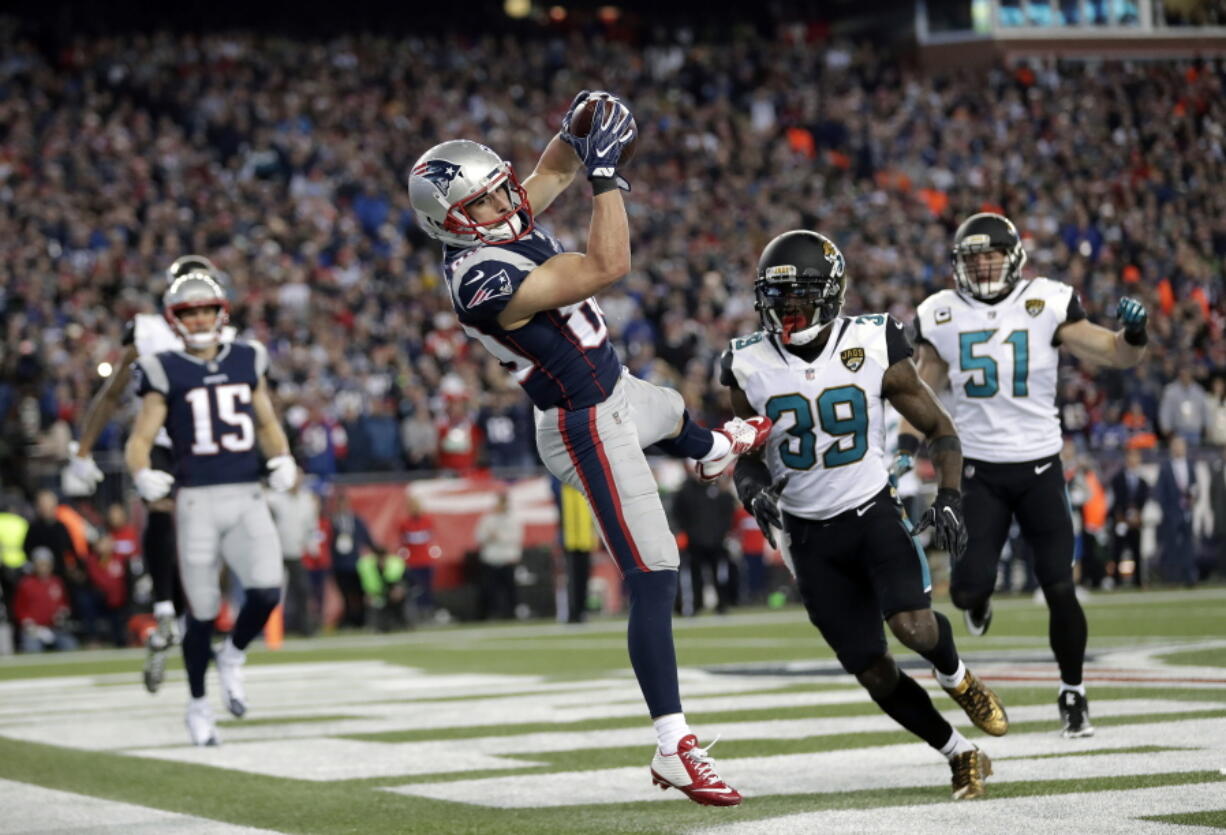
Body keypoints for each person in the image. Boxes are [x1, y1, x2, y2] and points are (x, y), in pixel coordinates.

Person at [407, 89, 771, 805]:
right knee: (654, 570)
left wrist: (575, 133)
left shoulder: (498, 219)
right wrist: (610, 175)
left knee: (669, 409)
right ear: (449, 223)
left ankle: (711, 449)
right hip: (583, 424)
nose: (503, 203)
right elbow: (607, 265)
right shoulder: (479, 276)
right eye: (481, 203)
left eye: (497, 188)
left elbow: (550, 173)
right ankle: (673, 744)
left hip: (616, 393)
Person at [725, 230, 1007, 801]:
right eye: (778, 298)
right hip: (806, 536)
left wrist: (950, 495)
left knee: (915, 626)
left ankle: (957, 676)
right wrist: (753, 490)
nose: (787, 309)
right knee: (871, 668)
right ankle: (959, 753)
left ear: (830, 294)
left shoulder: (874, 340)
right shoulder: (745, 363)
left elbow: (938, 427)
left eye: (800, 297)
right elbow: (744, 456)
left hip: (872, 510)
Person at [898, 212, 1149, 739]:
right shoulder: (941, 313)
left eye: (992, 254)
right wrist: (902, 446)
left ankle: (1074, 693)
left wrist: (1134, 333)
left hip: (1039, 467)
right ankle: (980, 599)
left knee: (1060, 584)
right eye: (974, 256)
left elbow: (1115, 353)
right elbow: (921, 391)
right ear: (959, 264)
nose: (984, 264)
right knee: (965, 592)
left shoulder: (1048, 301)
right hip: (978, 472)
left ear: (1013, 259)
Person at [125, 271, 296, 746]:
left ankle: (234, 655)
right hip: (197, 499)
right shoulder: (163, 367)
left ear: (221, 312)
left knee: (266, 591)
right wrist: (142, 472)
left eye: (205, 310)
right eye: (189, 312)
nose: (199, 319)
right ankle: (198, 705)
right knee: (199, 612)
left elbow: (266, 421)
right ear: (175, 320)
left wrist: (282, 456)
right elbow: (140, 439)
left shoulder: (247, 357)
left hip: (246, 493)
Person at [62, 255, 235, 693]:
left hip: (206, 446)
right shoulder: (150, 331)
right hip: (157, 441)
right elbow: (113, 390)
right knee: (161, 511)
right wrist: (82, 451)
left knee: (209, 538)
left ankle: (182, 618)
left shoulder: (227, 336)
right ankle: (162, 608)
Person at [671, 467, 738, 616]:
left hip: (717, 542)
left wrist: (722, 534)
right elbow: (677, 515)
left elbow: (727, 513)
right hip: (693, 543)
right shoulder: (685, 491)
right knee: (693, 575)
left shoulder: (719, 490)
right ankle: (693, 605)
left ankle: (722, 604)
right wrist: (683, 533)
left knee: (720, 574)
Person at [265, 465, 319, 635]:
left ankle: (304, 628)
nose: (296, 481)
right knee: (274, 593)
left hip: (296, 552)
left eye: (298, 477)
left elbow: (311, 526)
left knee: (303, 590)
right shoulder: (275, 498)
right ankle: (272, 631)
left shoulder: (307, 500)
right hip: (276, 553)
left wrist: (312, 546)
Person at [14, 548, 77, 653]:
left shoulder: (57, 582)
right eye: (40, 564)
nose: (43, 568)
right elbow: (19, 609)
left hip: (54, 628)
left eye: (46, 564)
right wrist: (30, 625)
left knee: (69, 645)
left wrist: (63, 614)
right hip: (34, 630)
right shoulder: (26, 584)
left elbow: (64, 603)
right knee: (33, 650)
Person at [1155, 436, 1198, 585]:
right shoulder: (1165, 466)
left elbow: (1194, 486)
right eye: (1176, 445)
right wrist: (1166, 511)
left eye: (1181, 445)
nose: (1178, 448)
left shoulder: (1190, 465)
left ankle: (1189, 577)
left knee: (1188, 545)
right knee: (1171, 546)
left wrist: (1193, 499)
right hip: (1172, 512)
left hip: (1187, 511)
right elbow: (1160, 492)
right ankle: (1173, 578)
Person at [474, 493, 523, 620]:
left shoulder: (513, 519)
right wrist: (490, 537)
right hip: (491, 559)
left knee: (510, 589)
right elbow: (479, 537)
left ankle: (512, 613)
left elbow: (516, 538)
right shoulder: (487, 519)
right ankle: (490, 614)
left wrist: (499, 537)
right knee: (489, 589)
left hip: (507, 558)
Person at [1109, 446, 1150, 587]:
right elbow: (1114, 500)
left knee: (1136, 551)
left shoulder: (1142, 481)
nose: (1132, 460)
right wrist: (1120, 516)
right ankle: (1116, 580)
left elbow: (1144, 500)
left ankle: (1138, 581)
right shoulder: (1117, 479)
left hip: (1135, 522)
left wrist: (1138, 515)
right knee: (1117, 551)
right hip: (1121, 520)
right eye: (1130, 457)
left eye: (1135, 457)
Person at [556, 481, 596, 623]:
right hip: (571, 542)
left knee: (584, 578)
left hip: (585, 541)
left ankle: (582, 611)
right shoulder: (564, 489)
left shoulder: (586, 490)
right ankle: (573, 613)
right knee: (573, 580)